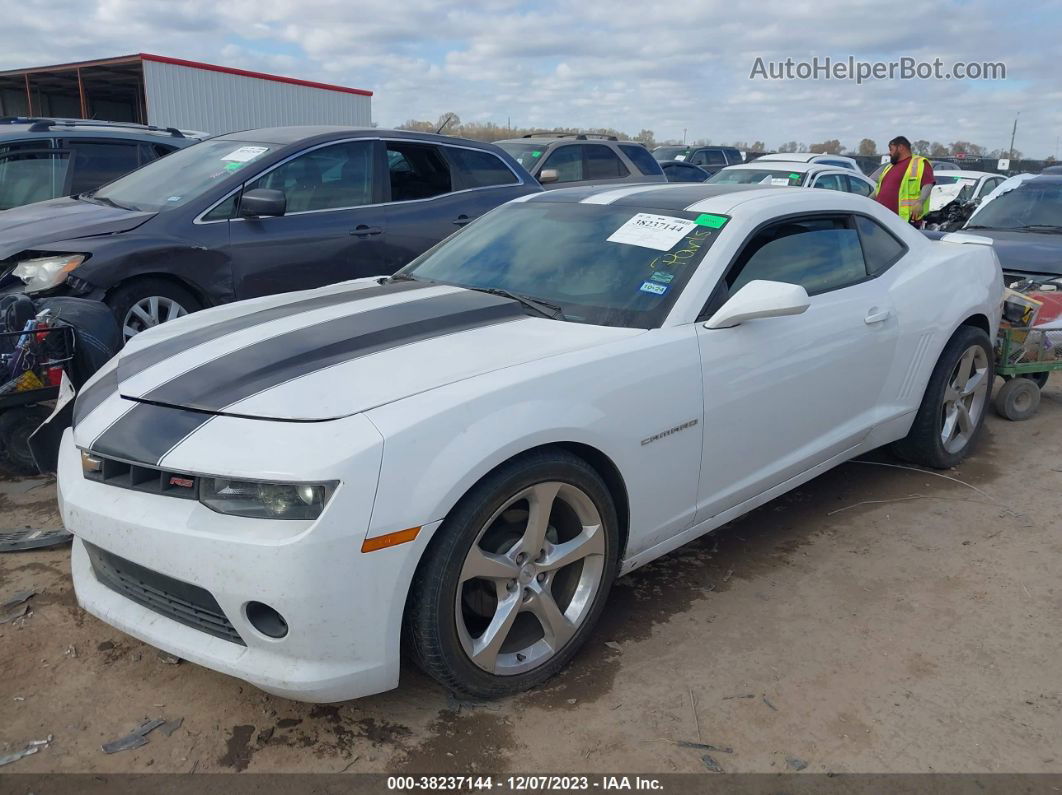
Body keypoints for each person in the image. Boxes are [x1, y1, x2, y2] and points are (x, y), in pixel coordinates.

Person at [875, 136, 934, 226]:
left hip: (904, 221)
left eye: (891, 149)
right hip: (882, 219)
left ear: (900, 148)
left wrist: (920, 202)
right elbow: (878, 190)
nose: (889, 153)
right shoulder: (890, 166)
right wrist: (865, 201)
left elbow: (928, 184)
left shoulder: (919, 163)